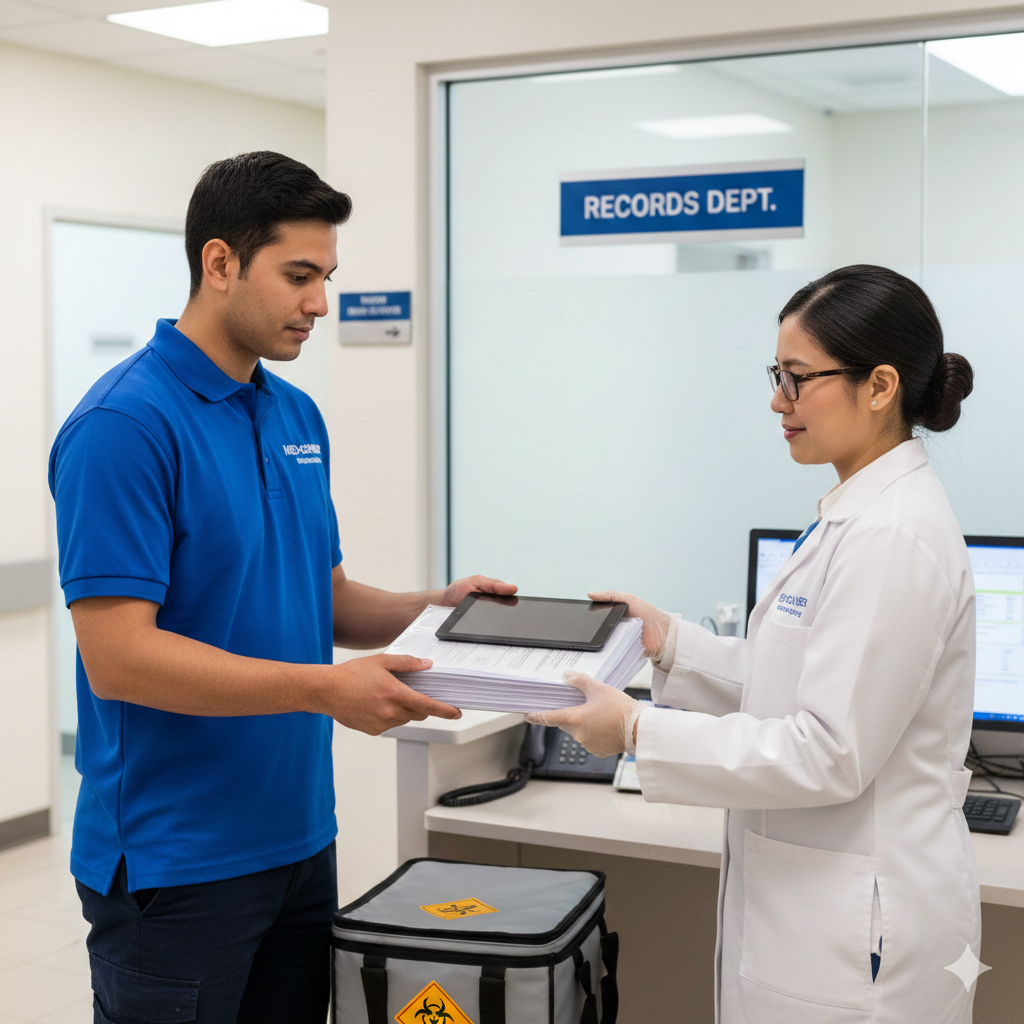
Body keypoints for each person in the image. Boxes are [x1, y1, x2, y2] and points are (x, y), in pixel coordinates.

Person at [49, 151, 515, 1024]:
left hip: (299, 837)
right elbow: (118, 659)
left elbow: (320, 595)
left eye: (327, 277)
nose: (321, 304)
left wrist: (435, 609)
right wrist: (324, 690)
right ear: (219, 263)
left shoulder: (295, 414)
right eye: (299, 276)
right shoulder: (123, 426)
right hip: (175, 860)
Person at [528, 265, 979, 1023]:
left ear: (880, 387)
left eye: (798, 379)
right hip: (819, 913)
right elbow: (792, 682)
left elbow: (827, 749)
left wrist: (636, 730)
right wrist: (668, 643)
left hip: (859, 939)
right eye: (777, 375)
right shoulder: (855, 515)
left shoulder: (893, 537)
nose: (778, 400)